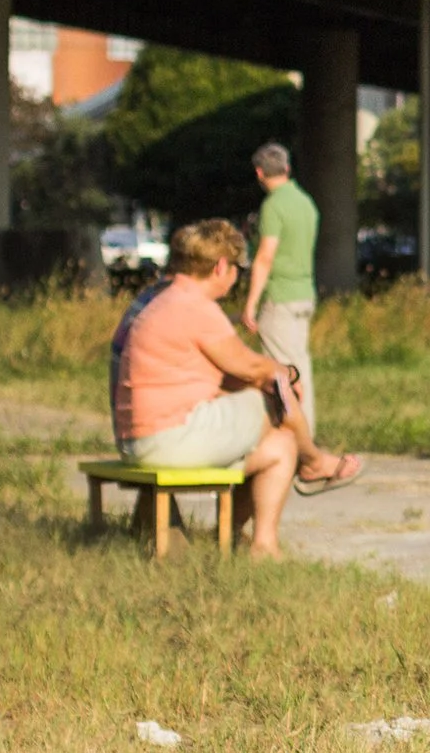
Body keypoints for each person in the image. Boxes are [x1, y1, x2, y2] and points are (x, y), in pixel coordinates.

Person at [111, 220, 363, 557]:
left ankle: (262, 542)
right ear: (221, 267)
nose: (236, 279)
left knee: (280, 447)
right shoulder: (195, 307)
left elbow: (223, 371)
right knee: (273, 396)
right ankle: (314, 461)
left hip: (144, 440)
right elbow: (253, 367)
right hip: (168, 439)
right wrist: (285, 374)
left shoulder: (164, 302)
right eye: (237, 270)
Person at [244, 143, 321, 431]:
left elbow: (265, 256)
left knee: (280, 375)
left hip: (280, 296)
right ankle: (306, 436)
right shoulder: (304, 202)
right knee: (300, 369)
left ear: (259, 173)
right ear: (287, 168)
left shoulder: (273, 206)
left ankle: (294, 441)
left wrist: (250, 304)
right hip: (304, 295)